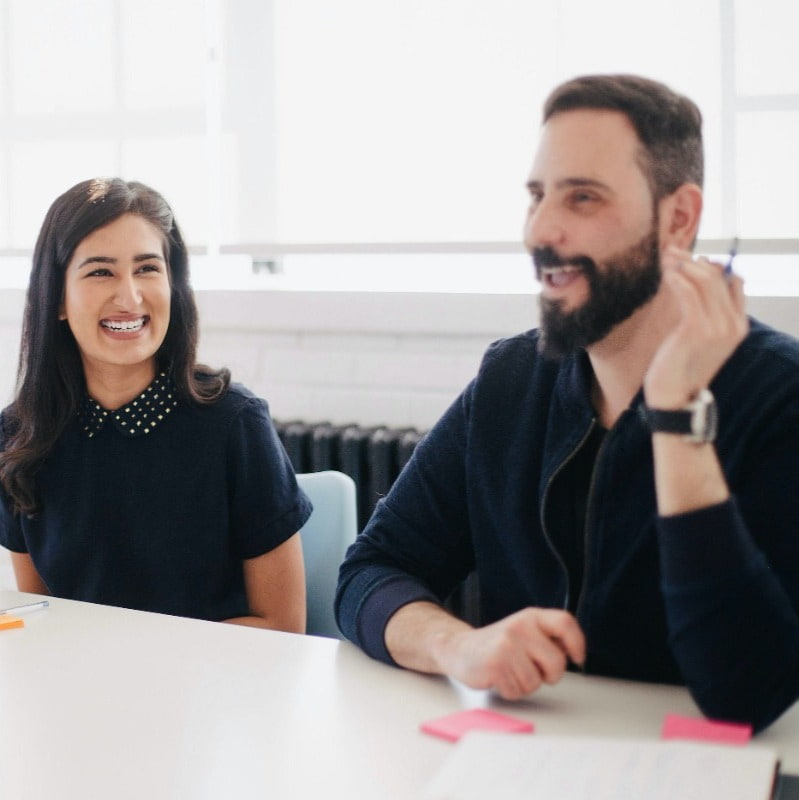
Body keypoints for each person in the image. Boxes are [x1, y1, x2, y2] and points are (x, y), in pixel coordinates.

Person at [335, 74, 799, 732]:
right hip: (525, 760)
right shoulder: (512, 378)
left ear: (676, 218)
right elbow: (370, 573)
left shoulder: (779, 397)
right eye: (536, 195)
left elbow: (745, 694)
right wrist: (457, 644)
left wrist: (675, 417)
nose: (540, 229)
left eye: (582, 198)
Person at [0, 178, 311, 631]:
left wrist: (140, 665)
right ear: (58, 299)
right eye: (100, 271)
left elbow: (284, 627)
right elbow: (45, 618)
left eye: (147, 268)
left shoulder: (234, 424)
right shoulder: (19, 436)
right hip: (82, 690)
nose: (129, 297)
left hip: (219, 688)